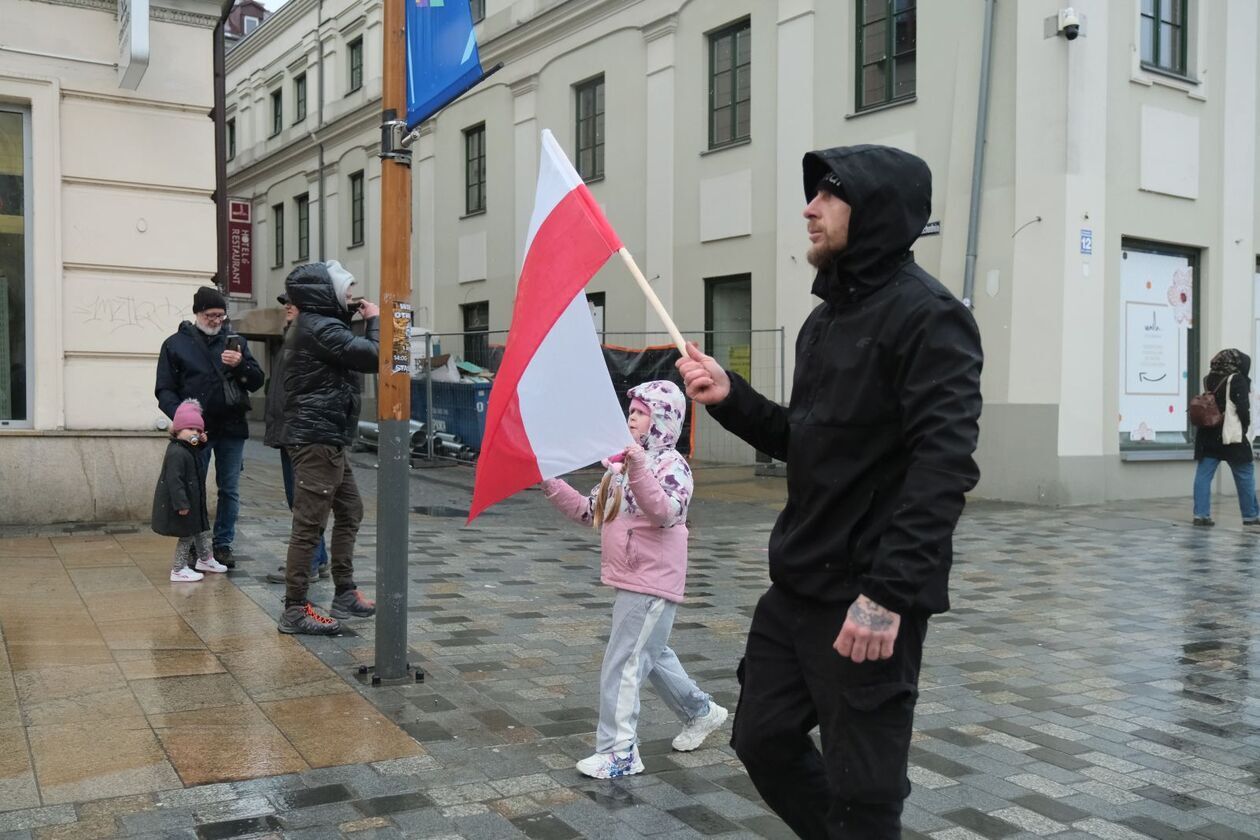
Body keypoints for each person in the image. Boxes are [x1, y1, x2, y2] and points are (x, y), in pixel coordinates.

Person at [676, 144, 983, 838]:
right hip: (796, 587)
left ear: (874, 210)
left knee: (864, 791)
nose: (809, 209)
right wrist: (731, 397)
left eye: (830, 195)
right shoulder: (823, 322)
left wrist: (888, 595)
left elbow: (945, 467)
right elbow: (805, 440)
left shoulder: (929, 317)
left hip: (867, 596)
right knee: (761, 738)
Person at [540, 381, 728, 780]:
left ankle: (620, 751)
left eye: (641, 412)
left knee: (622, 663)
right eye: (633, 411)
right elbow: (590, 510)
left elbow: (666, 510)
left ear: (662, 422)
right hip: (633, 577)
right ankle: (701, 711)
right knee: (652, 655)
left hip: (651, 580)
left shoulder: (671, 465)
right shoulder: (621, 466)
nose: (631, 417)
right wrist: (551, 483)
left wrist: (639, 466)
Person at [277, 260, 380, 635]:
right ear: (327, 293)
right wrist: (378, 321)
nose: (352, 296)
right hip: (317, 439)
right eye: (346, 290)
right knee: (309, 524)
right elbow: (372, 356)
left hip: (329, 436)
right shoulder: (317, 326)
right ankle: (295, 610)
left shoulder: (322, 324)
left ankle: (344, 591)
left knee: (350, 509)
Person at [155, 285, 264, 568]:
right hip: (195, 433)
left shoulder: (235, 341)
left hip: (232, 428)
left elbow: (256, 380)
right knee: (194, 487)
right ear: (197, 313)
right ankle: (195, 545)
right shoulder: (175, 344)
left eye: (221, 315)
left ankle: (222, 545)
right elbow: (164, 390)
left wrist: (241, 365)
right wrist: (182, 420)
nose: (217, 320)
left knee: (229, 489)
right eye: (211, 314)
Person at [264, 291, 330, 583]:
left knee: (303, 501)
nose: (288, 306)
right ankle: (320, 559)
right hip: (289, 432)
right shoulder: (292, 336)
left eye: (293, 302)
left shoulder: (310, 339)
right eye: (286, 303)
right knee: (301, 500)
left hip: (301, 434)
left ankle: (308, 565)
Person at [151, 399, 229, 582]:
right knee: (186, 536)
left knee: (201, 530)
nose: (194, 433)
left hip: (193, 501)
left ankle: (205, 559)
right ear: (177, 430)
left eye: (198, 430)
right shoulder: (177, 452)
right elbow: (174, 480)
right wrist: (181, 503)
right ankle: (178, 569)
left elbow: (195, 450)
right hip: (184, 503)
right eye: (190, 429)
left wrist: (201, 443)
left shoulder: (186, 447)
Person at [1192, 348, 1258, 527]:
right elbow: (1243, 409)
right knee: (1245, 473)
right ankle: (1250, 515)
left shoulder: (1208, 378)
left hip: (1207, 434)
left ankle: (1200, 515)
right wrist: (1244, 427)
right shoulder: (1237, 379)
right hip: (1230, 435)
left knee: (1203, 475)